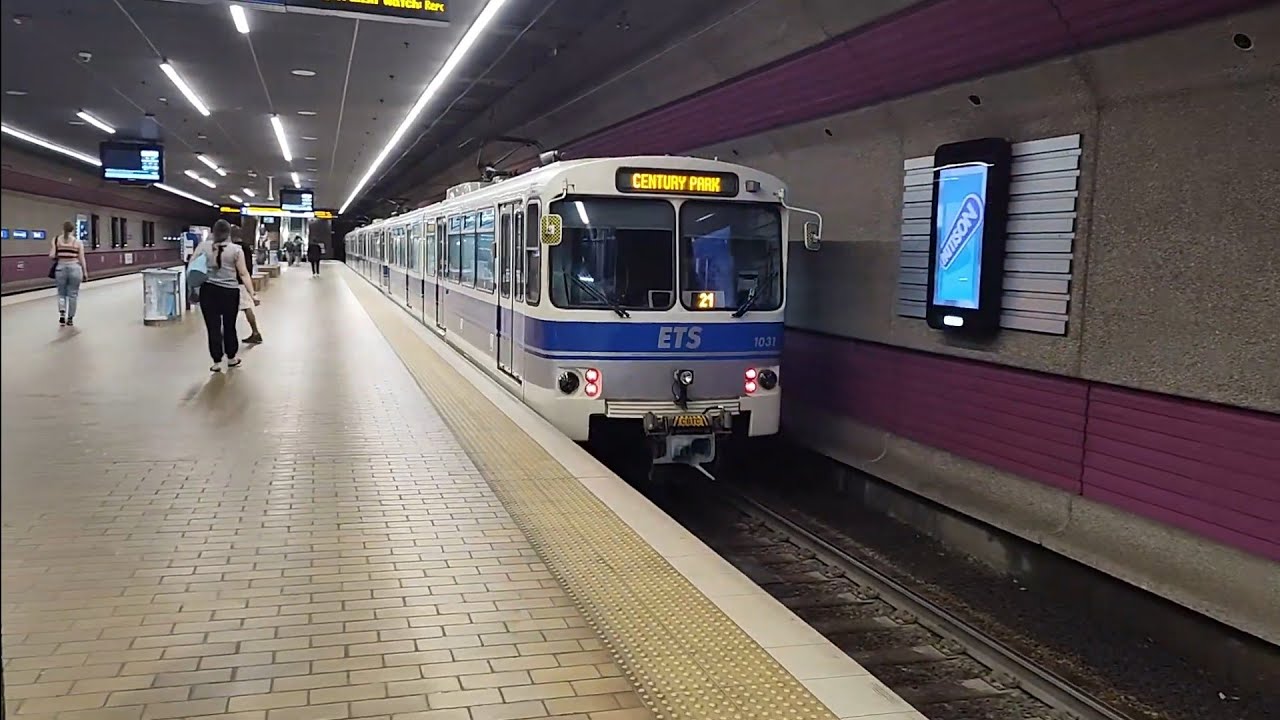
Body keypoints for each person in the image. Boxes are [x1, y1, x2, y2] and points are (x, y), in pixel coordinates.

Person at [194, 219, 258, 372]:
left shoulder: (203, 247)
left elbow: (193, 268)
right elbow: (243, 273)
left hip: (208, 292)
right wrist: (252, 294)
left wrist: (193, 290)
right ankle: (231, 358)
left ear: (213, 232)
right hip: (229, 292)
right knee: (229, 326)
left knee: (213, 327)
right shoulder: (236, 250)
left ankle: (216, 361)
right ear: (228, 233)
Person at [49, 220, 88, 326]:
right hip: (75, 269)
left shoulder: (56, 240)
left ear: (63, 229)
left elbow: (52, 255)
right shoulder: (78, 242)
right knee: (73, 295)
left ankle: (62, 314)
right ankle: (70, 318)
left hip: (61, 269)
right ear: (73, 230)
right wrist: (85, 272)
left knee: (61, 294)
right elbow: (82, 258)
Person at [231, 225, 263, 344]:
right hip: (243, 280)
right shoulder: (246, 247)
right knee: (244, 307)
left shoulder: (234, 248)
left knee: (244, 307)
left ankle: (255, 333)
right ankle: (255, 333)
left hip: (236, 281)